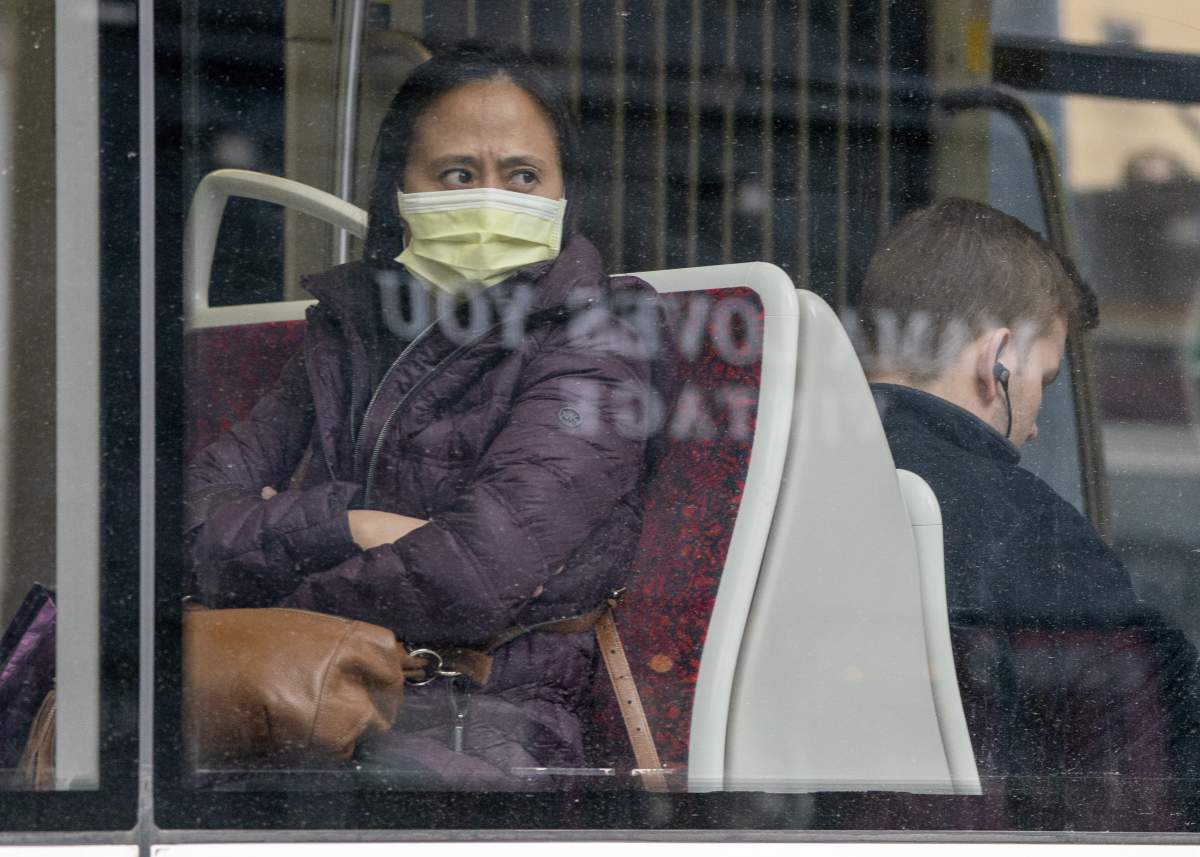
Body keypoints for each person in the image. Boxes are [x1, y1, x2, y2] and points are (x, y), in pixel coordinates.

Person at [184, 43, 675, 789]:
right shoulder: (351, 324)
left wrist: (260, 570)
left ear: (564, 192)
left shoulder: (601, 336)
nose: (489, 198)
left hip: (482, 716)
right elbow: (183, 523)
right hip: (309, 686)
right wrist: (345, 521)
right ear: (398, 190)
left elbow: (474, 574)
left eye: (522, 176)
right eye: (456, 174)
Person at [858, 198, 1200, 827]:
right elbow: (1141, 759)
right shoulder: (1027, 533)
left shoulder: (768, 476)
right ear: (999, 360)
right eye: (1043, 379)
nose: (1037, 427)